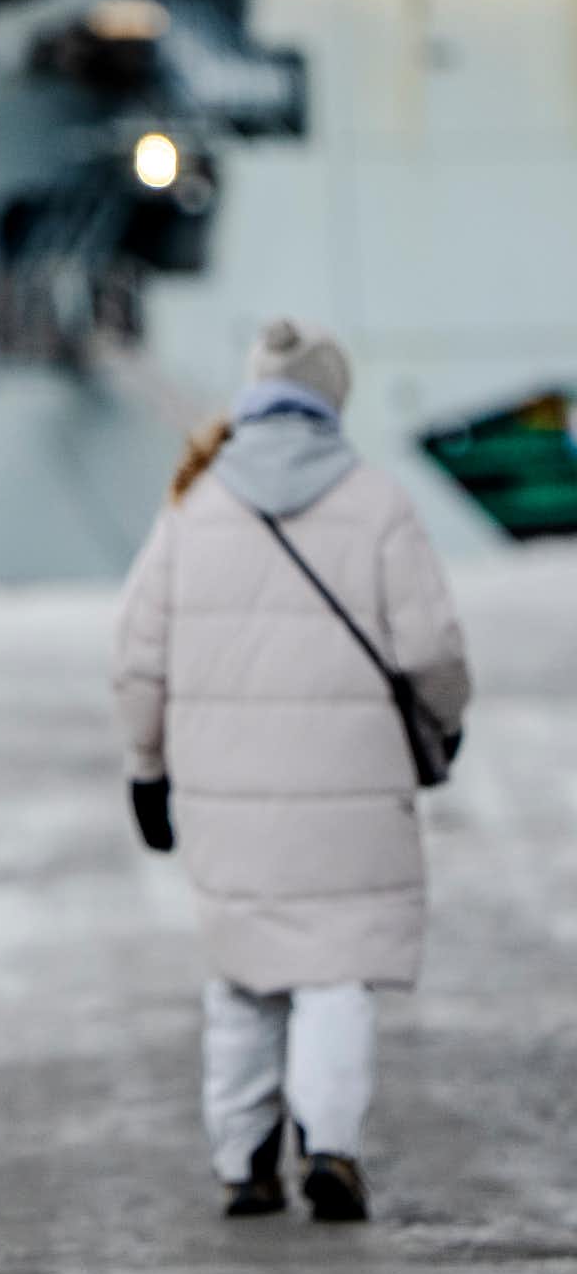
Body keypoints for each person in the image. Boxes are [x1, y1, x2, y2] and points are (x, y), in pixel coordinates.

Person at [113, 318, 471, 1224]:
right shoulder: (377, 500)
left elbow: (139, 656)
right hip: (352, 793)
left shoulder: (192, 506)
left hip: (223, 793)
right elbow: (430, 644)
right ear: (329, 398)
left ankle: (245, 1163)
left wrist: (145, 769)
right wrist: (447, 722)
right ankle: (333, 1147)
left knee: (244, 971)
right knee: (335, 972)